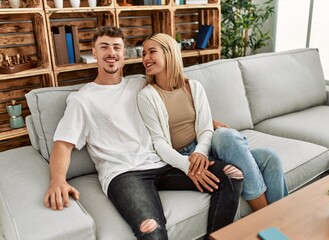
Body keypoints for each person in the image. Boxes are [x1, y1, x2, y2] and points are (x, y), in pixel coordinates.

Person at [44, 26, 239, 240]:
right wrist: (57, 181)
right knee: (151, 228)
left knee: (232, 174)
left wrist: (210, 122)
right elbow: (63, 144)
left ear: (124, 53)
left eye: (117, 47)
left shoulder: (140, 84)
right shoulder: (82, 99)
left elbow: (176, 107)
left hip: (164, 162)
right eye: (104, 47)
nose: (111, 53)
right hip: (124, 175)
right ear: (95, 52)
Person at [137, 33, 288, 213]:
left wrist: (200, 151)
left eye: (151, 52)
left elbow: (205, 128)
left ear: (169, 53)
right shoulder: (147, 96)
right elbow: (159, 143)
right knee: (227, 135)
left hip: (205, 147)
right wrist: (188, 164)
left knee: (270, 157)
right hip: (182, 156)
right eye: (143, 53)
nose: (146, 58)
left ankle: (281, 217)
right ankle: (267, 216)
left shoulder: (193, 87)